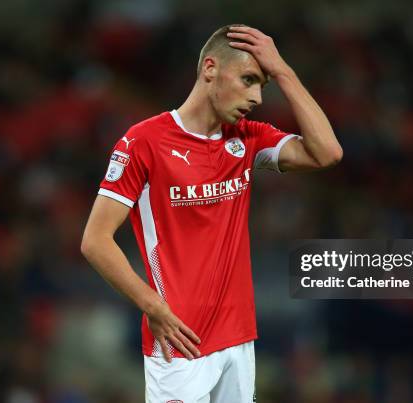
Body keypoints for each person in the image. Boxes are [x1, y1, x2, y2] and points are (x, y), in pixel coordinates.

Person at [81, 24, 342, 403]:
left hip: (238, 337)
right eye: (248, 80)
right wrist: (152, 306)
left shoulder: (249, 138)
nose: (255, 97)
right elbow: (95, 240)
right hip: (179, 339)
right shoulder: (143, 142)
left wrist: (283, 71)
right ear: (210, 69)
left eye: (262, 87)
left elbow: (327, 152)